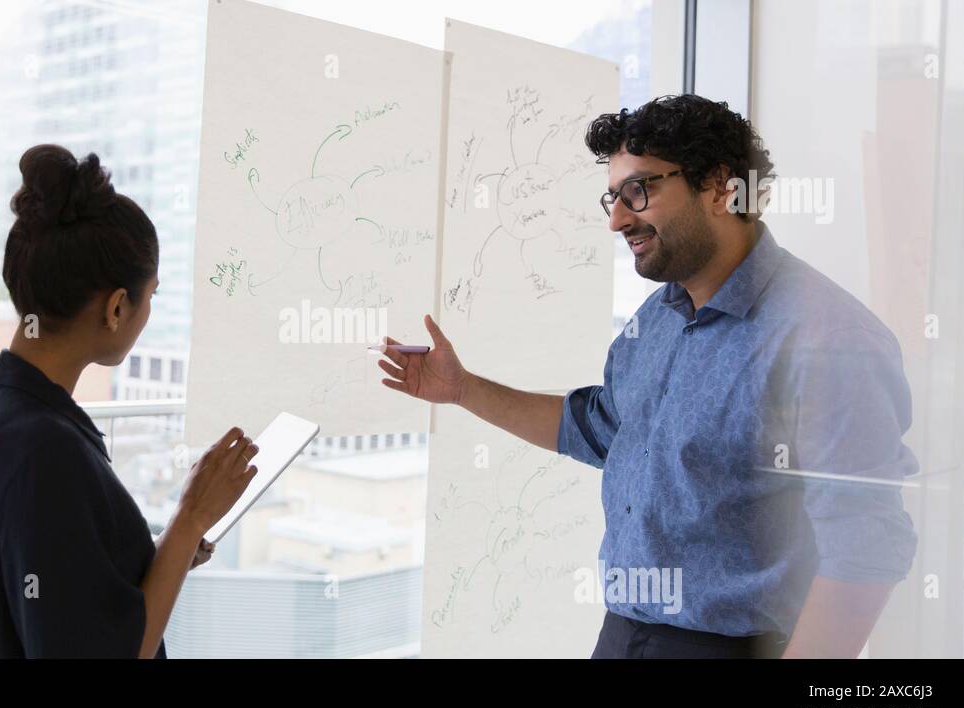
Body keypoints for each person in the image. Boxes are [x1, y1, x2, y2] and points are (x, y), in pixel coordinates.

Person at [379, 94, 917, 658]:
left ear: (719, 187)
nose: (616, 220)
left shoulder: (829, 338)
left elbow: (865, 548)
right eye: (612, 197)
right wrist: (463, 389)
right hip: (623, 637)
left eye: (639, 190)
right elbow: (603, 430)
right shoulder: (657, 317)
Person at [0, 144, 258, 658]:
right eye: (151, 297)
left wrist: (170, 551)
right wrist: (190, 519)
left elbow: (50, 598)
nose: (147, 314)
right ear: (117, 307)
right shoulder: (47, 453)